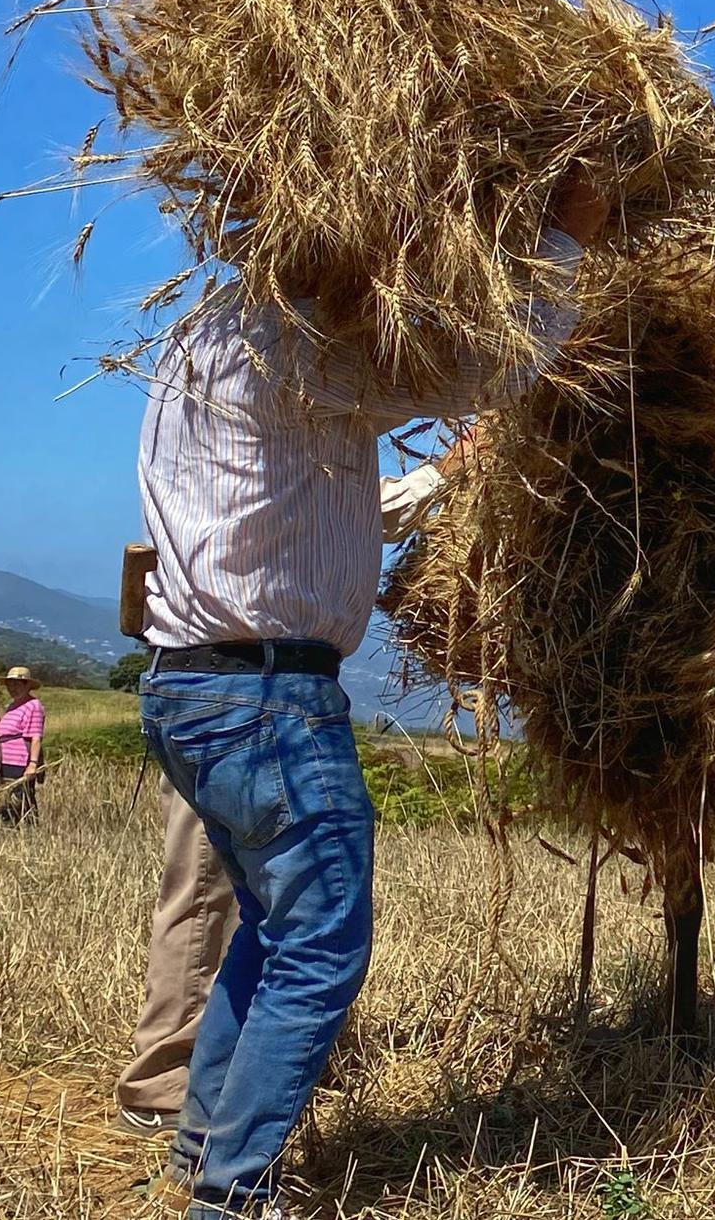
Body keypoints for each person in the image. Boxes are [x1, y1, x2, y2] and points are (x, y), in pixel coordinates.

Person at [136, 178, 607, 1220]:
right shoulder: (292, 343)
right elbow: (497, 366)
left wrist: (439, 473)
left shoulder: (197, 339)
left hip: (188, 689)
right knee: (323, 945)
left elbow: (311, 494)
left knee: (269, 925)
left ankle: (201, 1151)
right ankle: (233, 1192)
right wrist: (564, 241)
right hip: (267, 701)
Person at [116, 426, 464, 1137]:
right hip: (244, 691)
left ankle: (212, 1105)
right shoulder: (249, 435)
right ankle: (168, 1090)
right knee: (225, 900)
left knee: (253, 910)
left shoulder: (205, 411)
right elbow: (354, 514)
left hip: (207, 690)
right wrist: (448, 470)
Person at [0, 667, 46, 823]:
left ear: (27, 685)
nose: (12, 689)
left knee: (22, 799)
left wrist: (33, 764)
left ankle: (30, 833)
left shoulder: (33, 706)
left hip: (20, 760)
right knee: (6, 799)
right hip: (5, 759)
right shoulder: (12, 706)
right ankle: (9, 831)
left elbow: (35, 737)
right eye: (10, 685)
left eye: (17, 685)